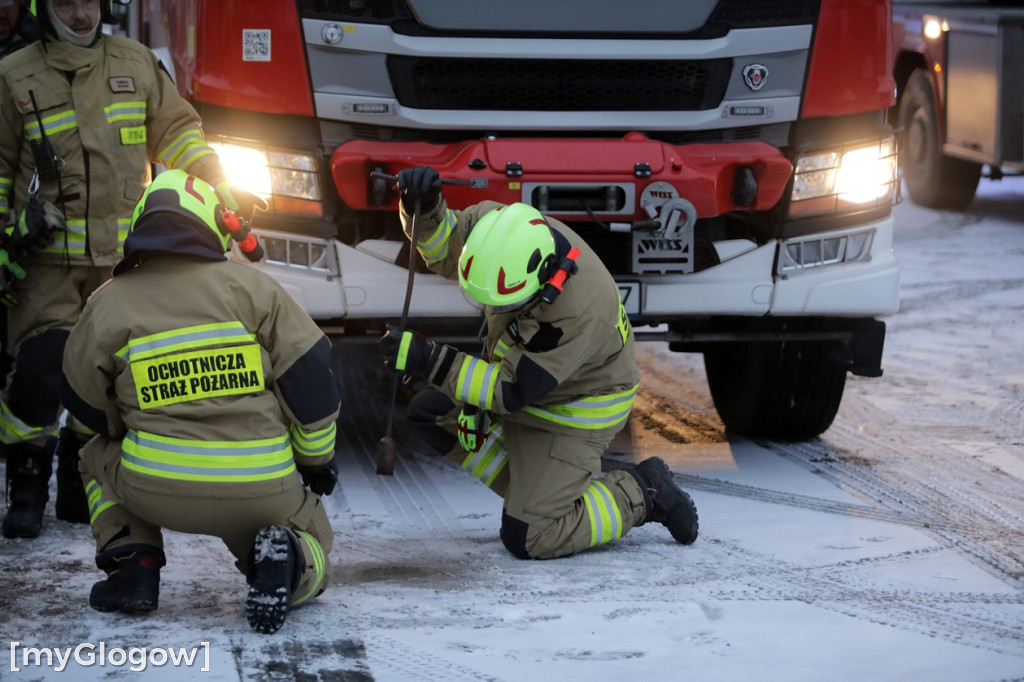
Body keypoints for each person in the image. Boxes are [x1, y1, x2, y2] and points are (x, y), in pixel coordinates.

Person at [0, 0, 263, 538]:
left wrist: (220, 183)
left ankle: (82, 480)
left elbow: (180, 136)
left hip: (123, 267)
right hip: (45, 267)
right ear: (41, 8)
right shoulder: (12, 76)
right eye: (66, 3)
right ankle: (26, 483)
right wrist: (11, 230)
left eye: (89, 1)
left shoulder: (137, 64)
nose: (80, 14)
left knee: (109, 379)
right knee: (40, 371)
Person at [61, 169, 340, 634]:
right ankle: (286, 562)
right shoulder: (256, 289)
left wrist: (127, 426)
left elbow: (85, 401)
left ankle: (132, 566)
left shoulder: (107, 304)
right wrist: (315, 459)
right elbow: (311, 380)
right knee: (314, 543)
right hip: (261, 487)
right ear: (212, 224)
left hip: (154, 486)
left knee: (94, 457)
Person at [380, 166, 699, 560]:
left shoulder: (574, 315)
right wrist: (424, 208)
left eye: (505, 305)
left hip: (574, 411)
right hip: (536, 384)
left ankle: (642, 492)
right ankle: (536, 488)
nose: (494, 311)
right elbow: (445, 246)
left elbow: (510, 390)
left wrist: (430, 360)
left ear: (543, 285)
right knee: (433, 415)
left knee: (530, 535)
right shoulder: (502, 229)